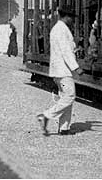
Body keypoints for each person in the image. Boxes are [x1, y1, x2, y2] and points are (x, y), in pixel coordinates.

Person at [36, 7, 83, 136]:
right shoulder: (61, 29)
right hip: (63, 69)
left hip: (59, 69)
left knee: (65, 97)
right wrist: (76, 67)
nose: (73, 20)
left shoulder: (59, 28)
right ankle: (45, 116)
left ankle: (64, 127)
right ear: (66, 16)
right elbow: (65, 51)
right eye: (72, 17)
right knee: (69, 96)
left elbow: (67, 49)